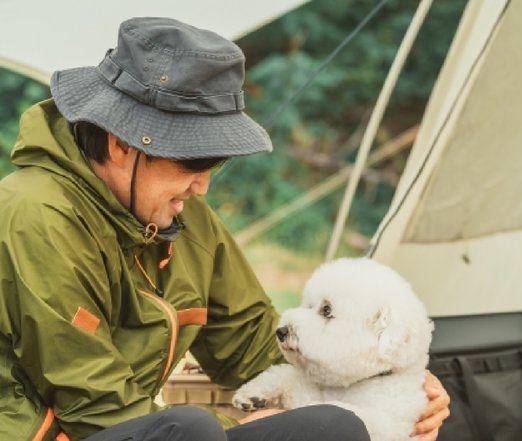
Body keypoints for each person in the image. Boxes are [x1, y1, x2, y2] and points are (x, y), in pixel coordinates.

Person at [0, 17, 449, 441]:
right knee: (193, 430)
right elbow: (93, 402)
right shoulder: (35, 213)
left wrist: (391, 383)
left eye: (213, 165)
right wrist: (230, 425)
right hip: (63, 430)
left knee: (337, 427)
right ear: (121, 144)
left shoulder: (182, 215)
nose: (202, 186)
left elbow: (256, 345)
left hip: (163, 431)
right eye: (192, 163)